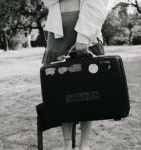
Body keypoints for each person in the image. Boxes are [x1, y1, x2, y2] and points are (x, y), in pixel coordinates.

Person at [42, 0, 110, 150]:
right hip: (57, 28)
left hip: (85, 24)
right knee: (61, 88)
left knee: (88, 89)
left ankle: (84, 144)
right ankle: (67, 144)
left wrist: (84, 37)